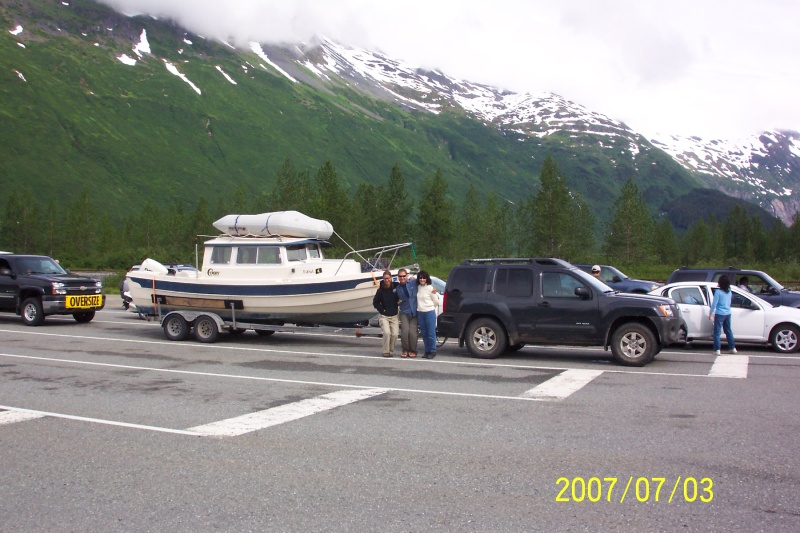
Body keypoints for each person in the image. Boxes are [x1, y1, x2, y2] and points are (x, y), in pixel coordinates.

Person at [372, 270, 400, 357]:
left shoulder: (396, 286)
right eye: (385, 279)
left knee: (395, 334)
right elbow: (375, 302)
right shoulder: (380, 290)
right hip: (384, 316)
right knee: (387, 333)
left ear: (391, 278)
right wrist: (382, 310)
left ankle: (390, 350)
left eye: (388, 278)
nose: (386, 280)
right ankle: (385, 351)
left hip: (394, 315)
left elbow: (404, 286)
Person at [708, 275, 736, 356]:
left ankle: (717, 349)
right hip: (728, 313)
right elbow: (729, 303)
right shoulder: (729, 292)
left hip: (720, 313)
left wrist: (710, 313)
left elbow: (714, 304)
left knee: (717, 332)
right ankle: (732, 348)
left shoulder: (718, 292)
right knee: (728, 331)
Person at [416, 270, 440, 359]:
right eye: (420, 278)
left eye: (424, 278)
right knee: (424, 333)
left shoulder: (430, 288)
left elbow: (436, 301)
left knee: (431, 333)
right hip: (420, 313)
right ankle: (427, 351)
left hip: (429, 313)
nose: (422, 279)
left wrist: (430, 307)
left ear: (427, 279)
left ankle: (433, 351)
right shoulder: (418, 287)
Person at [396, 268, 419, 358]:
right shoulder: (397, 288)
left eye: (404, 276)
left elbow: (424, 281)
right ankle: (405, 350)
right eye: (400, 276)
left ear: (407, 276)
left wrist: (433, 289)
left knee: (412, 333)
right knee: (404, 332)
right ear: (398, 277)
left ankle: (413, 350)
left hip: (414, 312)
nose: (402, 278)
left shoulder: (413, 282)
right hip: (404, 312)